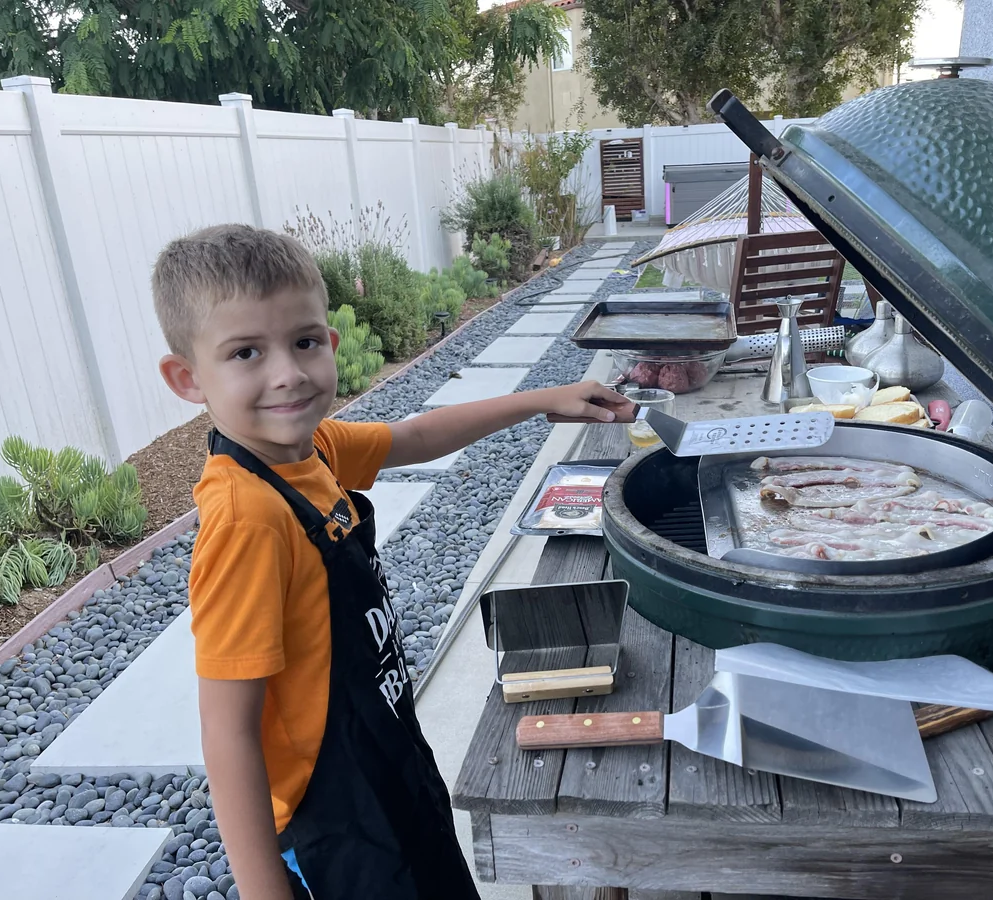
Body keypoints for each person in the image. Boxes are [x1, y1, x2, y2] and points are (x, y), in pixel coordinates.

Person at [152, 224, 634, 899]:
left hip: (389, 762)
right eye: (245, 353)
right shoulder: (248, 519)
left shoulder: (311, 449)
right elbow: (227, 735)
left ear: (331, 343)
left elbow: (414, 435)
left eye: (304, 341)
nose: (287, 373)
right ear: (187, 378)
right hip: (338, 825)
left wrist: (545, 399)